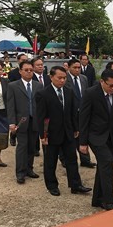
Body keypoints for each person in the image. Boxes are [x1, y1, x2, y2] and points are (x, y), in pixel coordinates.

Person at [35, 66, 91, 196]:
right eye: (59, 78)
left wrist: (76, 128)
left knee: (72, 159)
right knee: (50, 161)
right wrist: (43, 135)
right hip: (51, 133)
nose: (62, 80)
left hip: (68, 132)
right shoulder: (43, 94)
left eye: (64, 78)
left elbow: (73, 112)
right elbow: (41, 117)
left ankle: (76, 185)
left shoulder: (69, 92)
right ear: (51, 77)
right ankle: (52, 185)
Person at [79, 69, 113, 210]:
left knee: (104, 167)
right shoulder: (90, 93)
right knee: (106, 163)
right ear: (102, 82)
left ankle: (97, 199)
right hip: (95, 136)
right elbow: (84, 118)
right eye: (110, 85)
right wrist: (83, 142)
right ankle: (108, 201)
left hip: (111, 137)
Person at [7, 60, 42, 184]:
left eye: (31, 70)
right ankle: (20, 172)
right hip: (20, 122)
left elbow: (41, 104)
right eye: (26, 70)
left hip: (35, 120)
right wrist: (11, 123)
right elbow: (10, 106)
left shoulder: (38, 85)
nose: (29, 72)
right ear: (20, 71)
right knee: (22, 146)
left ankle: (29, 169)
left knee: (32, 146)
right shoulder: (13, 86)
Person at [64, 58, 96, 168]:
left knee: (83, 135)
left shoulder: (84, 78)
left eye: (79, 68)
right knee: (70, 136)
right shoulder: (64, 79)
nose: (77, 70)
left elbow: (86, 94)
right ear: (68, 68)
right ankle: (65, 158)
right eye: (75, 68)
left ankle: (85, 159)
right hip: (69, 113)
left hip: (83, 112)